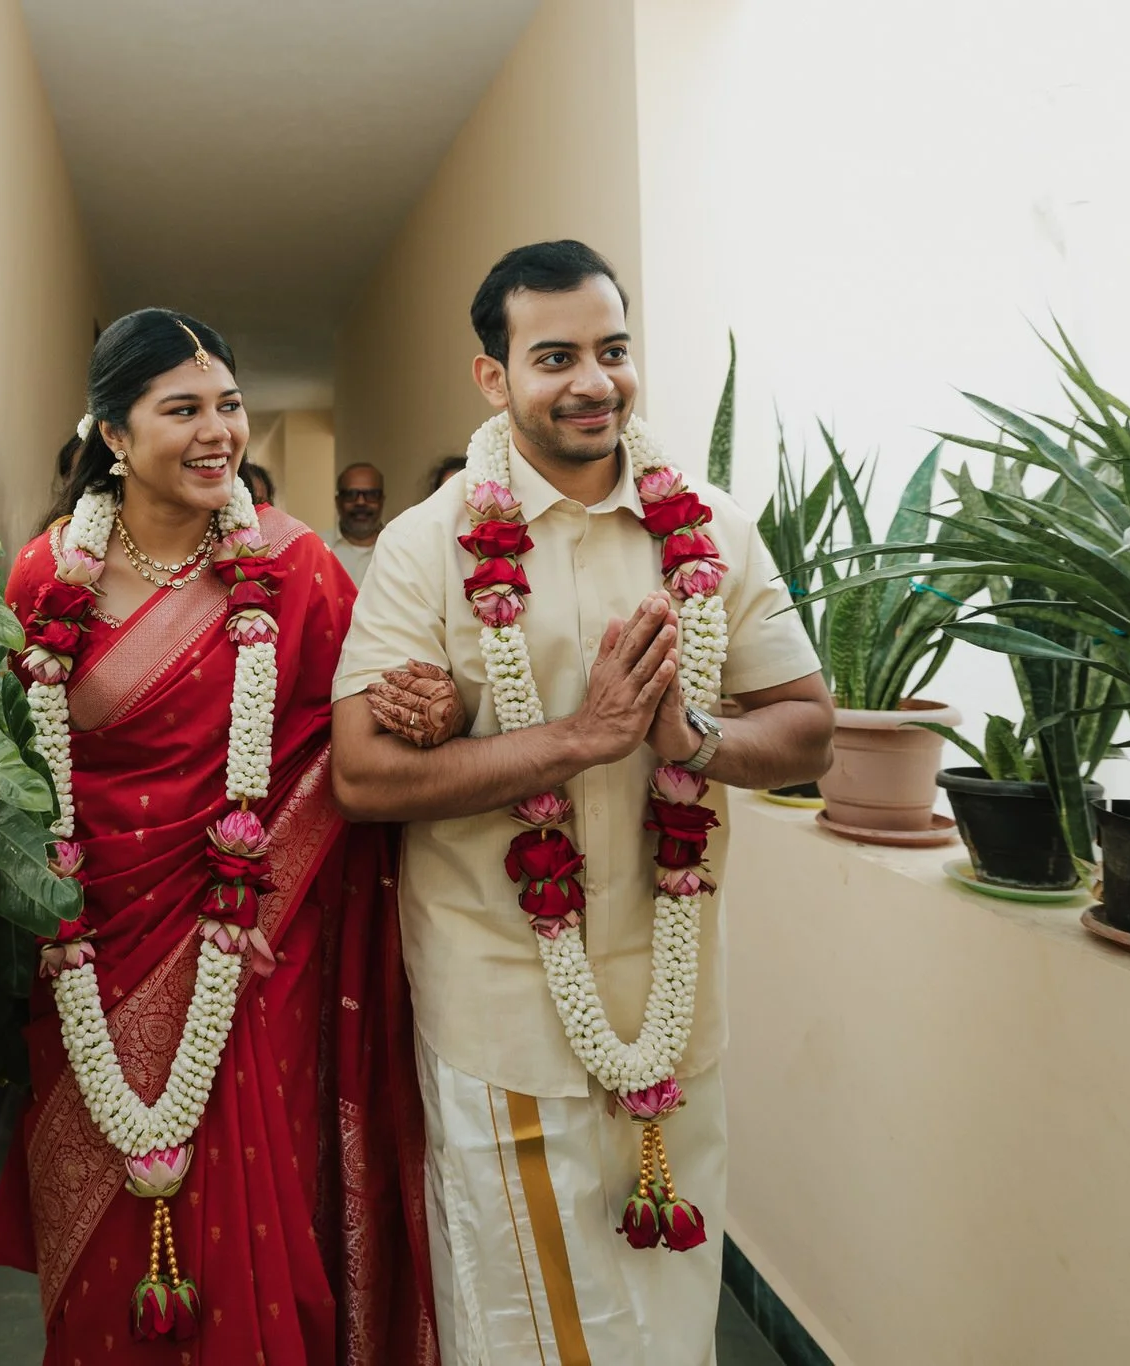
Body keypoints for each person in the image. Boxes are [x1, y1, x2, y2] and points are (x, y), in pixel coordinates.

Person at [329, 241, 834, 1365]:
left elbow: (808, 726)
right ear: (492, 378)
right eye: (553, 356)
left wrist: (692, 738)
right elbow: (360, 774)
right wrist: (577, 739)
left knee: (659, 1323)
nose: (592, 380)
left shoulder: (706, 526)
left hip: (671, 1002)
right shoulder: (427, 546)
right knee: (523, 1327)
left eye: (611, 350)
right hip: (499, 1012)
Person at [0, 307, 439, 1366]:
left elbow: (337, 746)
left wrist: (425, 705)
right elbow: (17, 776)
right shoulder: (47, 580)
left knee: (253, 1222)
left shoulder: (294, 564)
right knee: (98, 1237)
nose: (217, 430)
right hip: (91, 944)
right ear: (111, 432)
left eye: (228, 404)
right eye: (179, 408)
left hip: (255, 950)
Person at [323, 462, 384, 584]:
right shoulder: (318, 550)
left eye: (371, 495)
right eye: (351, 495)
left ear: (382, 501)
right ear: (338, 502)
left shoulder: (400, 550)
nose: (361, 502)